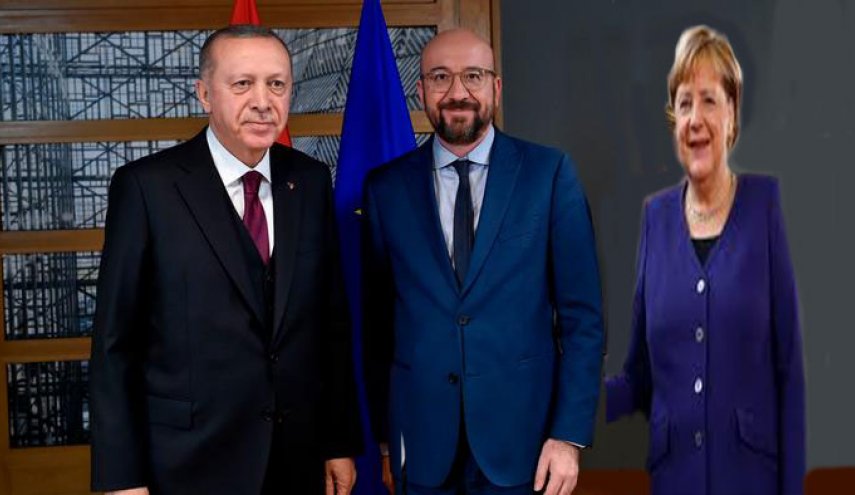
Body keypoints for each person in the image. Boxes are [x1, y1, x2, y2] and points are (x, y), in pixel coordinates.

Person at [89, 25, 362, 495]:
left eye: (276, 84)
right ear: (204, 94)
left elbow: (329, 323)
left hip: (296, 457)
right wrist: (122, 477)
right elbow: (115, 343)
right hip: (187, 462)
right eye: (242, 84)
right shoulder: (146, 187)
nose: (262, 101)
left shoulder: (310, 180)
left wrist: (338, 441)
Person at [362, 28, 604, 495]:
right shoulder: (385, 189)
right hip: (420, 448)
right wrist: (386, 440)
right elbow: (377, 327)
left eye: (473, 76)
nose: (458, 92)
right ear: (421, 91)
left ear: (496, 87)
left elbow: (583, 320)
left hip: (526, 447)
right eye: (440, 77)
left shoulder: (548, 174)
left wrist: (569, 436)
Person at [605, 25, 805, 495]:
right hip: (674, 481)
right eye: (684, 103)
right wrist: (567, 398)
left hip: (751, 482)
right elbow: (639, 377)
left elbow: (789, 373)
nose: (695, 118)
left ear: (732, 113)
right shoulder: (654, 218)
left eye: (709, 100)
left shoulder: (765, 206)